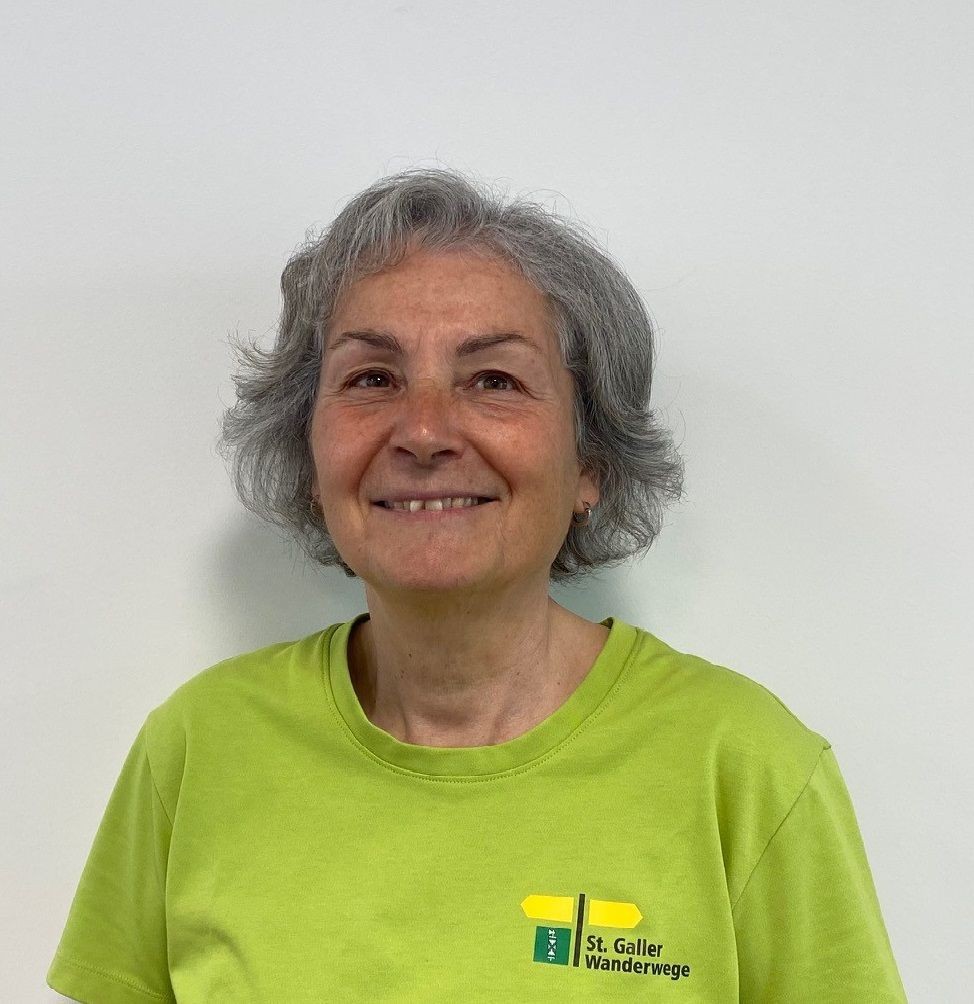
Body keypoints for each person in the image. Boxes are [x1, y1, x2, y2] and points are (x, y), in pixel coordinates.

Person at [47, 168, 907, 1002]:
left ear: (592, 461)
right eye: (372, 379)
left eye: (494, 380)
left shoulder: (745, 768)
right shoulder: (198, 748)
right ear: (308, 453)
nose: (423, 431)